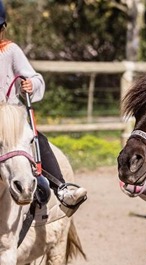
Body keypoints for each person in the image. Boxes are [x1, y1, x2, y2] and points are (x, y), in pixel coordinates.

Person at [0, 0, 87, 216]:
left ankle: (62, 188)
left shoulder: (10, 51)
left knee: (37, 138)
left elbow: (34, 77)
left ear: (2, 28)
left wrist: (30, 84)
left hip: (10, 119)